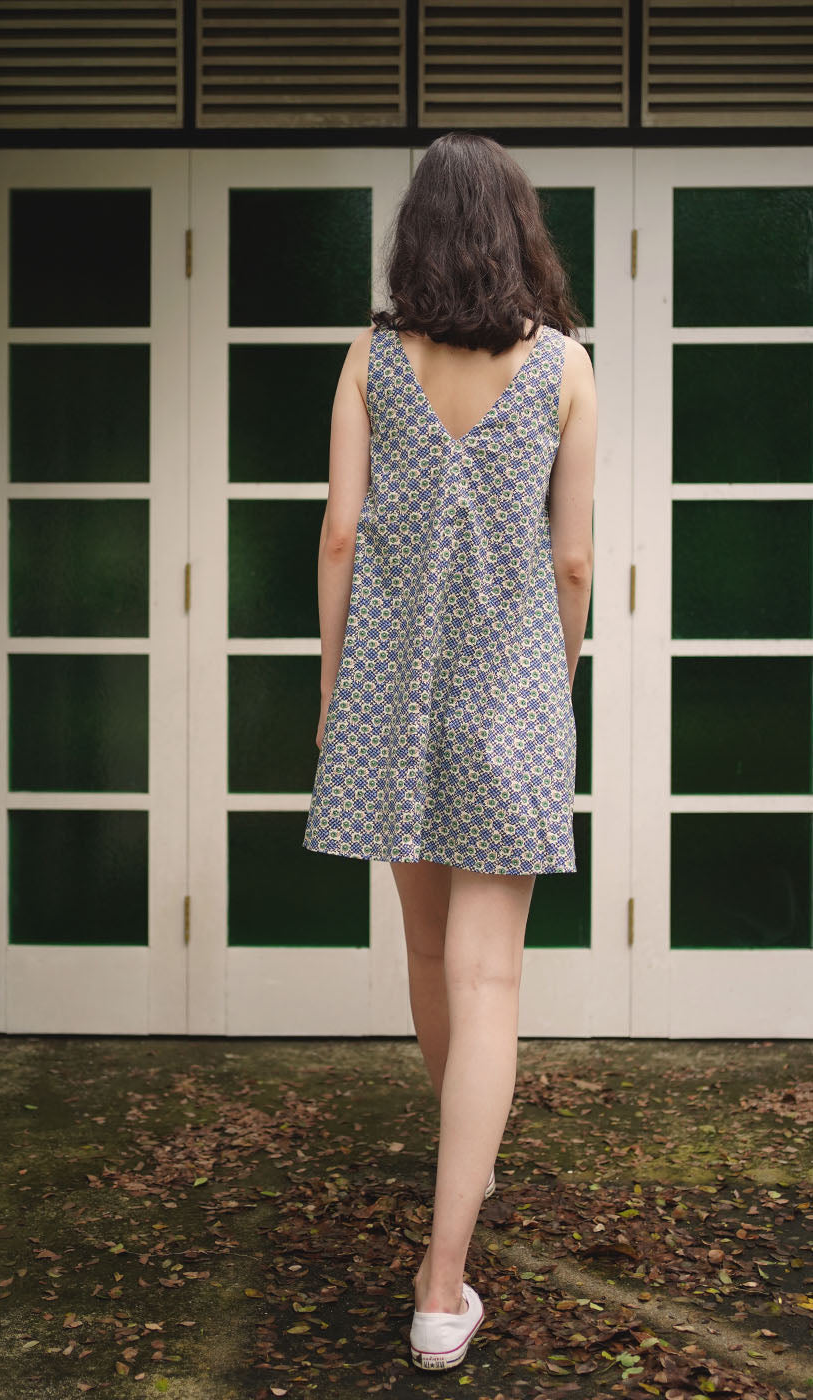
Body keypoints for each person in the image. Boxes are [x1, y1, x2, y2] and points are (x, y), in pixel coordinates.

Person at [302, 131, 596, 1370]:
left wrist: (332, 692)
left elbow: (337, 537)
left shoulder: (369, 360)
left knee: (429, 957)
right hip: (512, 694)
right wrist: (557, 673)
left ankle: (449, 1202)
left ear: (413, 236)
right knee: (491, 982)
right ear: (519, 231)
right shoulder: (568, 369)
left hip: (392, 696)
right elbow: (572, 559)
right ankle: (443, 1277)